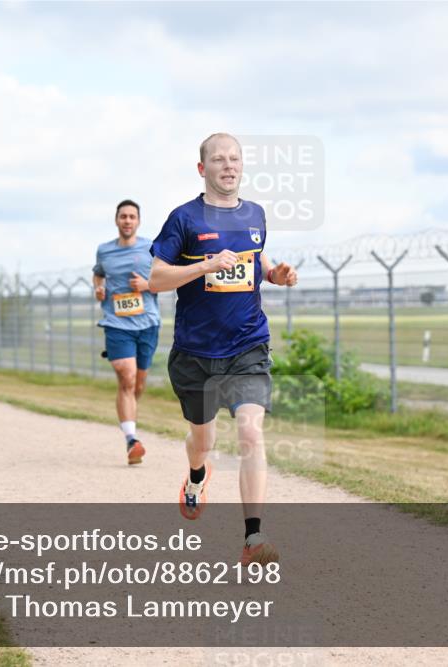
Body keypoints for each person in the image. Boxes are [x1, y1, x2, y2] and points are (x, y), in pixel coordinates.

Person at [148, 133, 297, 565]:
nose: (228, 165)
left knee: (251, 431)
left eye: (235, 159)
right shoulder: (184, 219)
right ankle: (196, 476)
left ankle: (253, 537)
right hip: (196, 351)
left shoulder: (255, 214)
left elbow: (257, 263)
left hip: (248, 344)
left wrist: (277, 275)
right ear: (203, 169)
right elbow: (157, 278)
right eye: (219, 159)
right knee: (203, 439)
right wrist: (206, 265)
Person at [93, 199, 161, 465]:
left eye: (132, 216)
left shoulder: (151, 249)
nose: (128, 221)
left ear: (138, 221)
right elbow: (98, 275)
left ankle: (130, 416)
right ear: (116, 220)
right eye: (123, 216)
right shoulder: (104, 251)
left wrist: (147, 284)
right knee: (127, 377)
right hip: (116, 323)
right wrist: (98, 289)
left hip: (147, 324)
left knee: (138, 384)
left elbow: (166, 278)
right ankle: (131, 439)